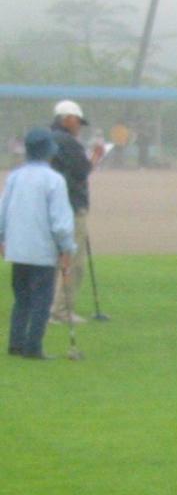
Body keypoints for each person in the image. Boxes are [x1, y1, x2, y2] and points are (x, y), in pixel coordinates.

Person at [0, 128, 76, 359]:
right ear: (48, 152)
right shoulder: (54, 180)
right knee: (42, 300)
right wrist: (67, 248)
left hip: (18, 248)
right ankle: (33, 347)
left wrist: (1, 237)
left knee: (22, 299)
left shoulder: (15, 176)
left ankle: (16, 343)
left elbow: (2, 210)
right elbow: (60, 221)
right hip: (43, 249)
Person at [48, 100, 102, 325]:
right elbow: (82, 171)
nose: (79, 126)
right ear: (67, 119)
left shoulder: (48, 139)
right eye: (77, 121)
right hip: (71, 205)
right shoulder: (68, 142)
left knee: (53, 259)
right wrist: (96, 157)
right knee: (73, 259)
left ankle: (49, 306)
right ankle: (62, 310)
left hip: (52, 205)